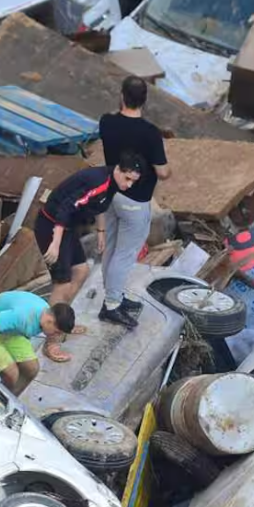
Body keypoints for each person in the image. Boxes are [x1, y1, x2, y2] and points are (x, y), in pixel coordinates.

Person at [34, 153, 146, 363]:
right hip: (51, 225)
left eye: (134, 181)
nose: (129, 185)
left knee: (82, 271)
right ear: (118, 170)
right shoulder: (99, 181)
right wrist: (55, 243)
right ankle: (51, 340)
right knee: (61, 283)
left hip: (68, 229)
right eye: (128, 179)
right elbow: (66, 209)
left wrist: (101, 232)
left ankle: (63, 320)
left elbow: (99, 205)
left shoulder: (113, 184)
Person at [96, 76, 170, 329]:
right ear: (145, 100)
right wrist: (168, 172)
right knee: (125, 254)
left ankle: (112, 294)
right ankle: (112, 304)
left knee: (113, 248)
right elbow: (161, 171)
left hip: (111, 192)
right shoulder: (150, 133)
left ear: (121, 95)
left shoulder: (106, 122)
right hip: (135, 200)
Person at [0, 291, 75, 395]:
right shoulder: (22, 317)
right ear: (50, 321)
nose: (56, 336)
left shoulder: (44, 315)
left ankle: (12, 397)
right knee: (11, 374)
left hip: (11, 331)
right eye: (56, 332)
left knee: (32, 369)